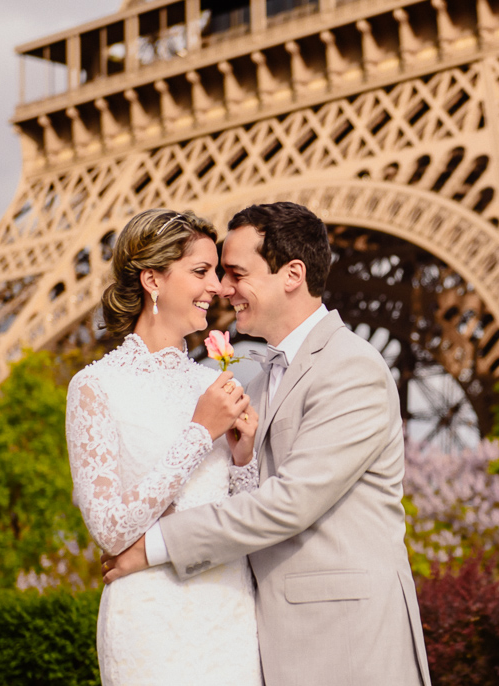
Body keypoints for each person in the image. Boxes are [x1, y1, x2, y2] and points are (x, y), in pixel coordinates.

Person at [102, 202, 432, 686]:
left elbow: (291, 502)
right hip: (253, 638)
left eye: (236, 273)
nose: (222, 288)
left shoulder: (351, 367)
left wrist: (156, 545)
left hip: (348, 643)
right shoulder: (253, 381)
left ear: (292, 274)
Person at [65, 209, 262, 685]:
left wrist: (243, 457)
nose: (217, 286)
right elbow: (110, 530)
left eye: (216, 271)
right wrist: (199, 433)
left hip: (232, 619)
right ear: (152, 280)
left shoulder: (212, 384)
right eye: (201, 271)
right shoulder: (96, 387)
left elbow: (244, 519)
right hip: (150, 624)